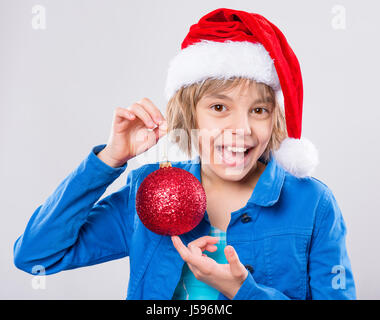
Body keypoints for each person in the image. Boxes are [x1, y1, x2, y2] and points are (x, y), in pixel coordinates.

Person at [13, 8, 356, 300]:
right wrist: (109, 160)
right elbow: (36, 255)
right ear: (190, 115)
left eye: (260, 111)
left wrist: (243, 291)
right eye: (220, 107)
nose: (242, 128)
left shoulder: (313, 203)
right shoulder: (149, 190)